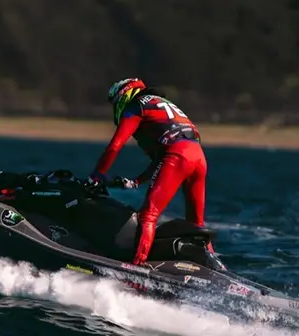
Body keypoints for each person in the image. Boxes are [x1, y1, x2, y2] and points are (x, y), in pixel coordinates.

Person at [87, 78, 212, 266]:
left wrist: (95, 176)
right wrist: (137, 181)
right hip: (198, 157)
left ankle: (137, 269)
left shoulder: (136, 106)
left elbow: (115, 147)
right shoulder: (162, 104)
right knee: (196, 224)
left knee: (148, 215)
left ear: (123, 96)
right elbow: (167, 155)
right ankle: (215, 268)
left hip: (178, 155)